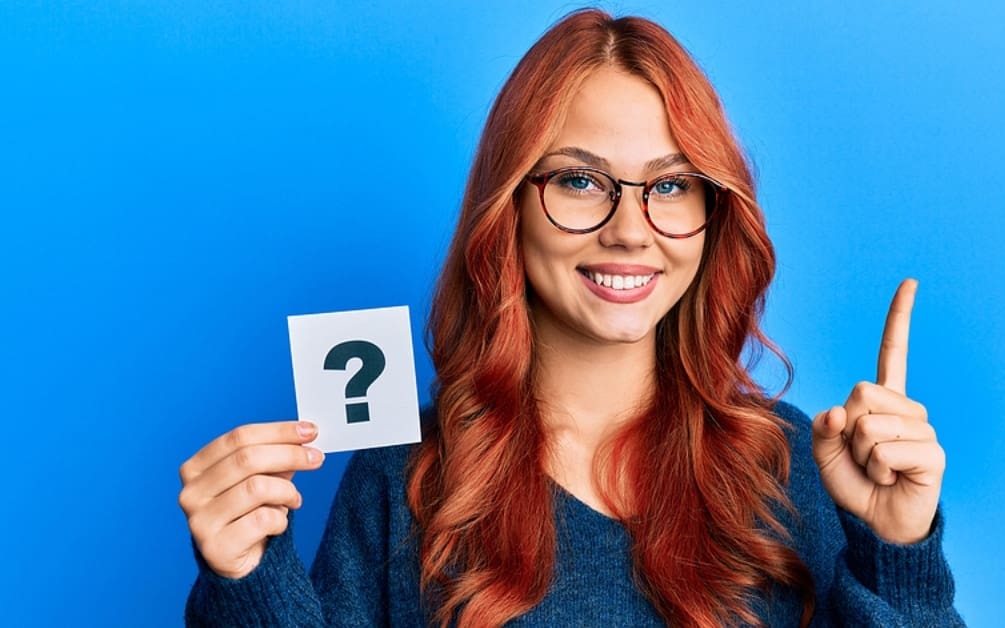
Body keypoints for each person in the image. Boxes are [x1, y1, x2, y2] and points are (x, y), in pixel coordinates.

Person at [178, 8, 962, 627]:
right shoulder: (401, 481)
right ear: (508, 207)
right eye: (582, 181)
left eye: (670, 186)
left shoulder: (794, 467)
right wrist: (247, 581)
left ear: (713, 214)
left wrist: (895, 553)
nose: (630, 228)